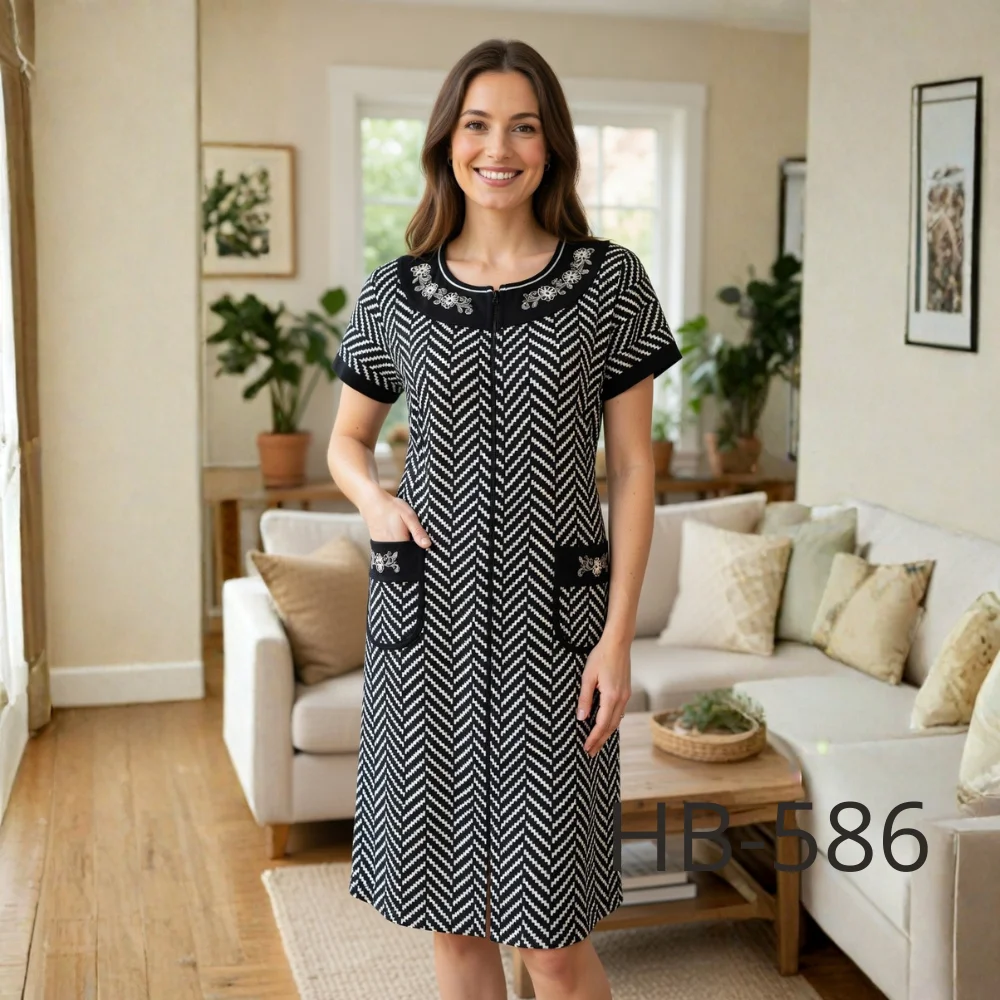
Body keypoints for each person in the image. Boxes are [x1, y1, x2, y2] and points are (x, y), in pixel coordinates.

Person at [327, 37, 681, 1000]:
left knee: (554, 942)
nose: (498, 148)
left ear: (551, 145)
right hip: (425, 635)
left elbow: (634, 470)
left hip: (555, 639)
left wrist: (617, 640)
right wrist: (376, 502)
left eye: (523, 127)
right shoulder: (395, 293)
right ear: (447, 141)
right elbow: (346, 443)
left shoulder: (609, 282)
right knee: (453, 933)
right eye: (478, 125)